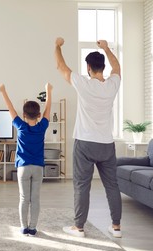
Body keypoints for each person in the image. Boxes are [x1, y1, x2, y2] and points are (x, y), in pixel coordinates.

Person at [54, 37, 123, 238]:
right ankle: (116, 227)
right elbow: (117, 67)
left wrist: (57, 46)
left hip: (85, 143)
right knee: (112, 185)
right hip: (106, 145)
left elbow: (60, 66)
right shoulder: (112, 85)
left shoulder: (83, 83)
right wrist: (107, 49)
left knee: (82, 185)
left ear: (88, 68)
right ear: (103, 67)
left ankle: (79, 227)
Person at [0, 83, 52, 236]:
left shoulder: (20, 126)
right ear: (39, 115)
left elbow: (11, 109)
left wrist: (3, 91)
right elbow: (48, 109)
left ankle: (23, 227)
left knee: (24, 198)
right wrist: (48, 92)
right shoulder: (42, 127)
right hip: (38, 168)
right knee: (35, 199)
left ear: (24, 115)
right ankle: (33, 228)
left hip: (23, 168)